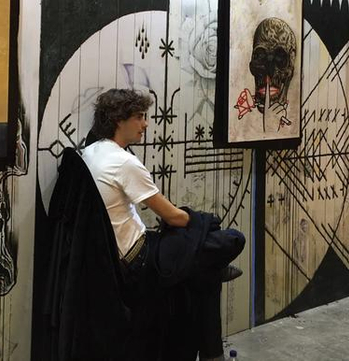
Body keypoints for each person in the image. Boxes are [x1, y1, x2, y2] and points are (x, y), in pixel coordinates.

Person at [81, 88, 245, 361]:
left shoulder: (91, 151)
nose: (145, 124)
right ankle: (212, 268)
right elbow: (174, 217)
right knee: (231, 239)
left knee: (203, 273)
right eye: (139, 117)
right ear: (119, 120)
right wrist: (201, 221)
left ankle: (209, 268)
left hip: (117, 257)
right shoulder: (123, 162)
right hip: (139, 259)